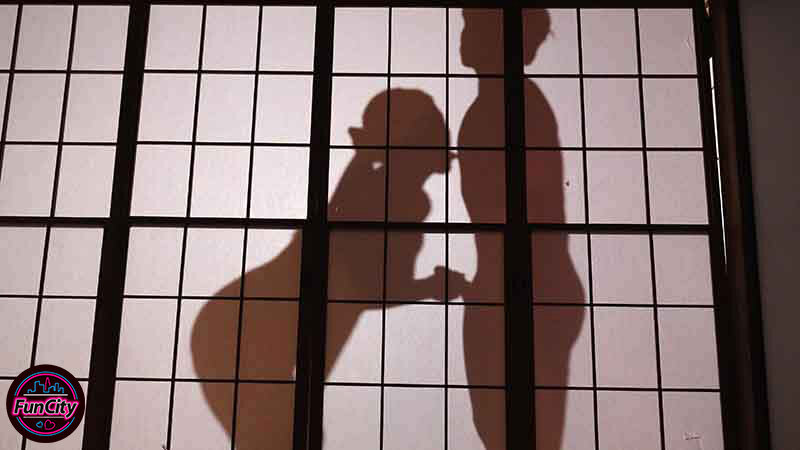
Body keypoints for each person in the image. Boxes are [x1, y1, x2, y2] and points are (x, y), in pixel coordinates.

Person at [192, 88, 466, 449]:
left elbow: (362, 288)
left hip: (234, 326)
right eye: (431, 126)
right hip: (243, 331)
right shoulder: (396, 197)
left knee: (290, 435)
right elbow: (366, 288)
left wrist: (429, 287)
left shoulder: (379, 188)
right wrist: (430, 287)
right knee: (288, 435)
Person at [458, 8, 586, 450]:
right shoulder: (499, 105)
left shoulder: (511, 105)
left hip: (526, 290)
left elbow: (523, 218)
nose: (463, 34)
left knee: (514, 432)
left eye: (473, 25)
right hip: (511, 287)